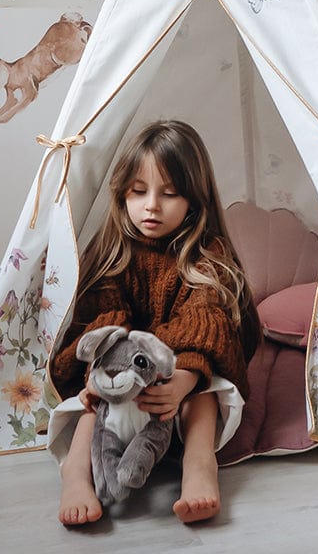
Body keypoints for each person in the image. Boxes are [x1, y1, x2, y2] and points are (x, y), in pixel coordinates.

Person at [48, 120, 260, 526]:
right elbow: (99, 324)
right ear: (123, 193)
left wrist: (184, 378)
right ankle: (77, 473)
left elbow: (208, 323)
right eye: (139, 192)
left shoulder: (206, 252)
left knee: (208, 392)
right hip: (121, 388)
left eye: (169, 193)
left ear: (194, 200)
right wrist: (107, 373)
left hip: (173, 387)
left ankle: (199, 467)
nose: (151, 206)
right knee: (93, 397)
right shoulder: (112, 250)